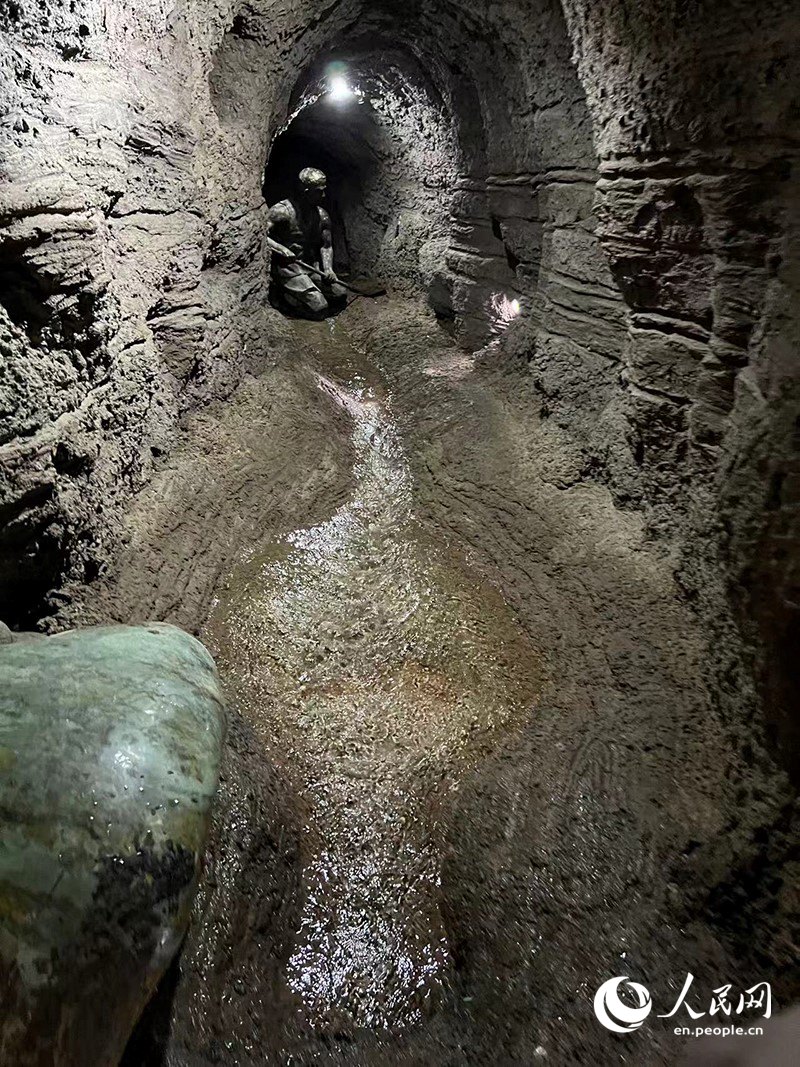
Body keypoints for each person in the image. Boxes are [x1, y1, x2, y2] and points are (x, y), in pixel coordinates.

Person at [266, 167, 348, 318]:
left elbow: (326, 245)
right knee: (319, 307)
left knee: (340, 293)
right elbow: (260, 235)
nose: (323, 195)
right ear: (305, 191)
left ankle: (305, 292)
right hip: (288, 270)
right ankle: (284, 297)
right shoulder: (281, 211)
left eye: (323, 190)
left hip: (310, 267)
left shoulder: (321, 215)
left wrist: (328, 269)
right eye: (318, 191)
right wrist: (281, 249)